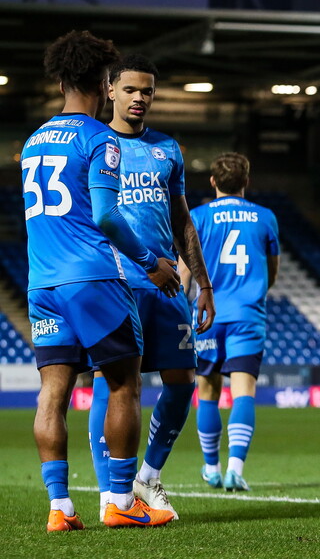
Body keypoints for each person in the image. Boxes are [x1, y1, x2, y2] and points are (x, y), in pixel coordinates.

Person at [23, 30, 179, 530]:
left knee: (53, 394)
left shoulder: (33, 140)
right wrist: (151, 259)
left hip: (42, 282)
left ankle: (60, 507)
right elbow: (109, 215)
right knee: (123, 387)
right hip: (92, 276)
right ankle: (119, 500)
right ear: (104, 80)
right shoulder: (100, 138)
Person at [87, 54, 216, 520]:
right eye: (131, 90)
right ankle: (110, 493)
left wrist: (200, 280)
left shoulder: (168, 148)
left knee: (183, 381)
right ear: (110, 91)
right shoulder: (94, 144)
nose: (140, 98)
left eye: (148, 91)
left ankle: (148, 476)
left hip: (166, 285)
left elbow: (182, 219)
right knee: (115, 381)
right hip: (116, 280)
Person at [181, 153, 280, 492]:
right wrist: (253, 294)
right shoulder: (265, 218)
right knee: (243, 393)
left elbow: (184, 273)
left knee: (207, 391)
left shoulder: (196, 217)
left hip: (207, 315)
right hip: (247, 314)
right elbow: (272, 272)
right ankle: (235, 469)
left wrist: (185, 304)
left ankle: (211, 468)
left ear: (212, 181)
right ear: (246, 182)